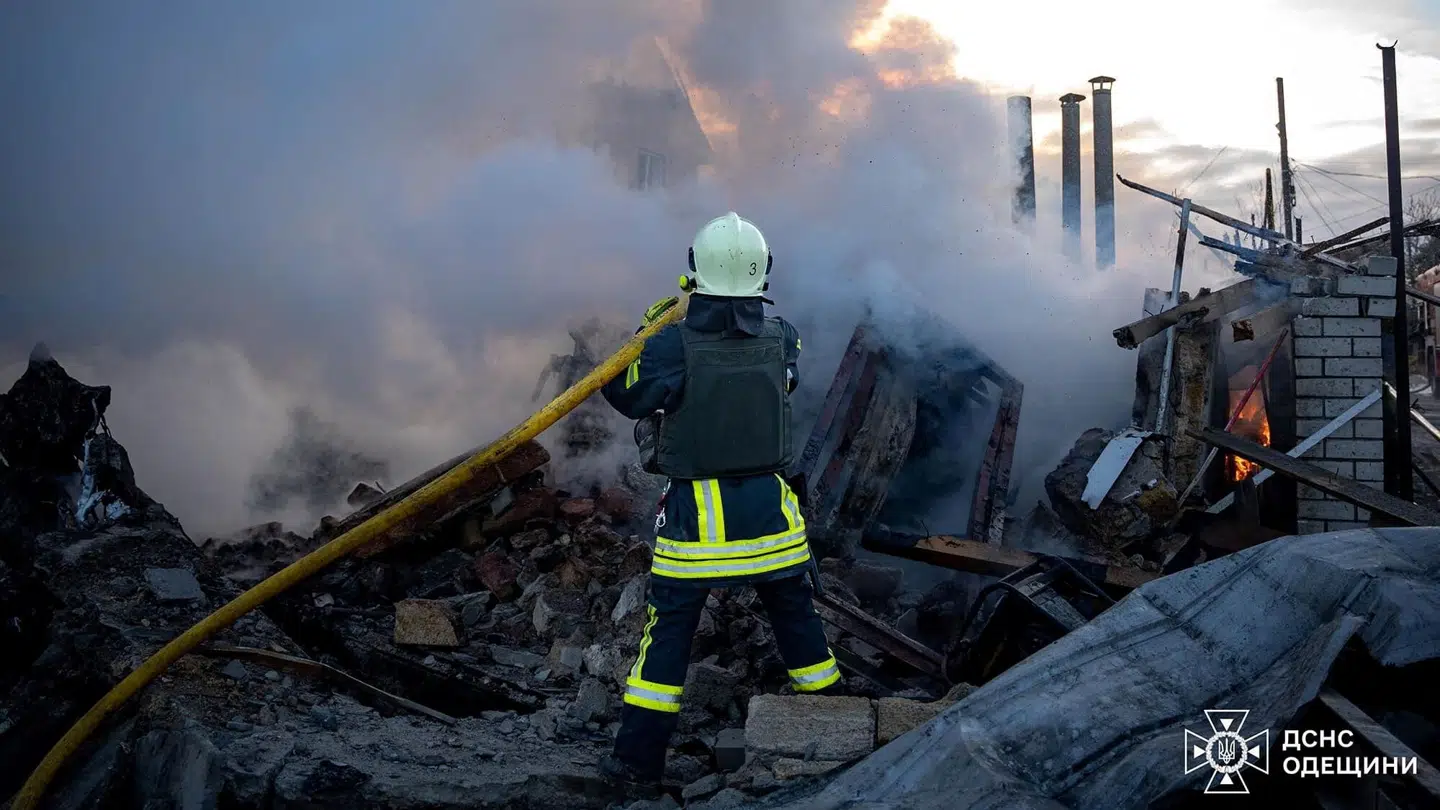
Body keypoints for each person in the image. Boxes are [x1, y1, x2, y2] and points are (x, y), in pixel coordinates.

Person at [597, 212, 841, 788]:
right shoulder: (783, 337)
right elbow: (785, 381)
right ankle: (838, 724)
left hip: (697, 527)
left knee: (668, 640)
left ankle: (636, 765)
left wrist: (648, 330)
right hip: (773, 522)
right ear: (763, 274)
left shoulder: (670, 346)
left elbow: (621, 392)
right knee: (798, 623)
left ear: (693, 270)